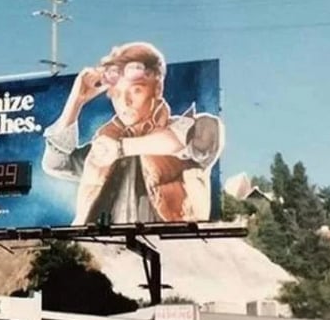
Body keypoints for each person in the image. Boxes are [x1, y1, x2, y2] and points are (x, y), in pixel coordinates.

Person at [42, 41, 224, 225]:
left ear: (158, 89)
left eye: (136, 90)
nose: (125, 102)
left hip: (169, 249)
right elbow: (55, 164)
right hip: (104, 249)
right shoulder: (105, 145)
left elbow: (195, 139)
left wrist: (122, 148)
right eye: (117, 93)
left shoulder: (197, 128)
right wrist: (75, 102)